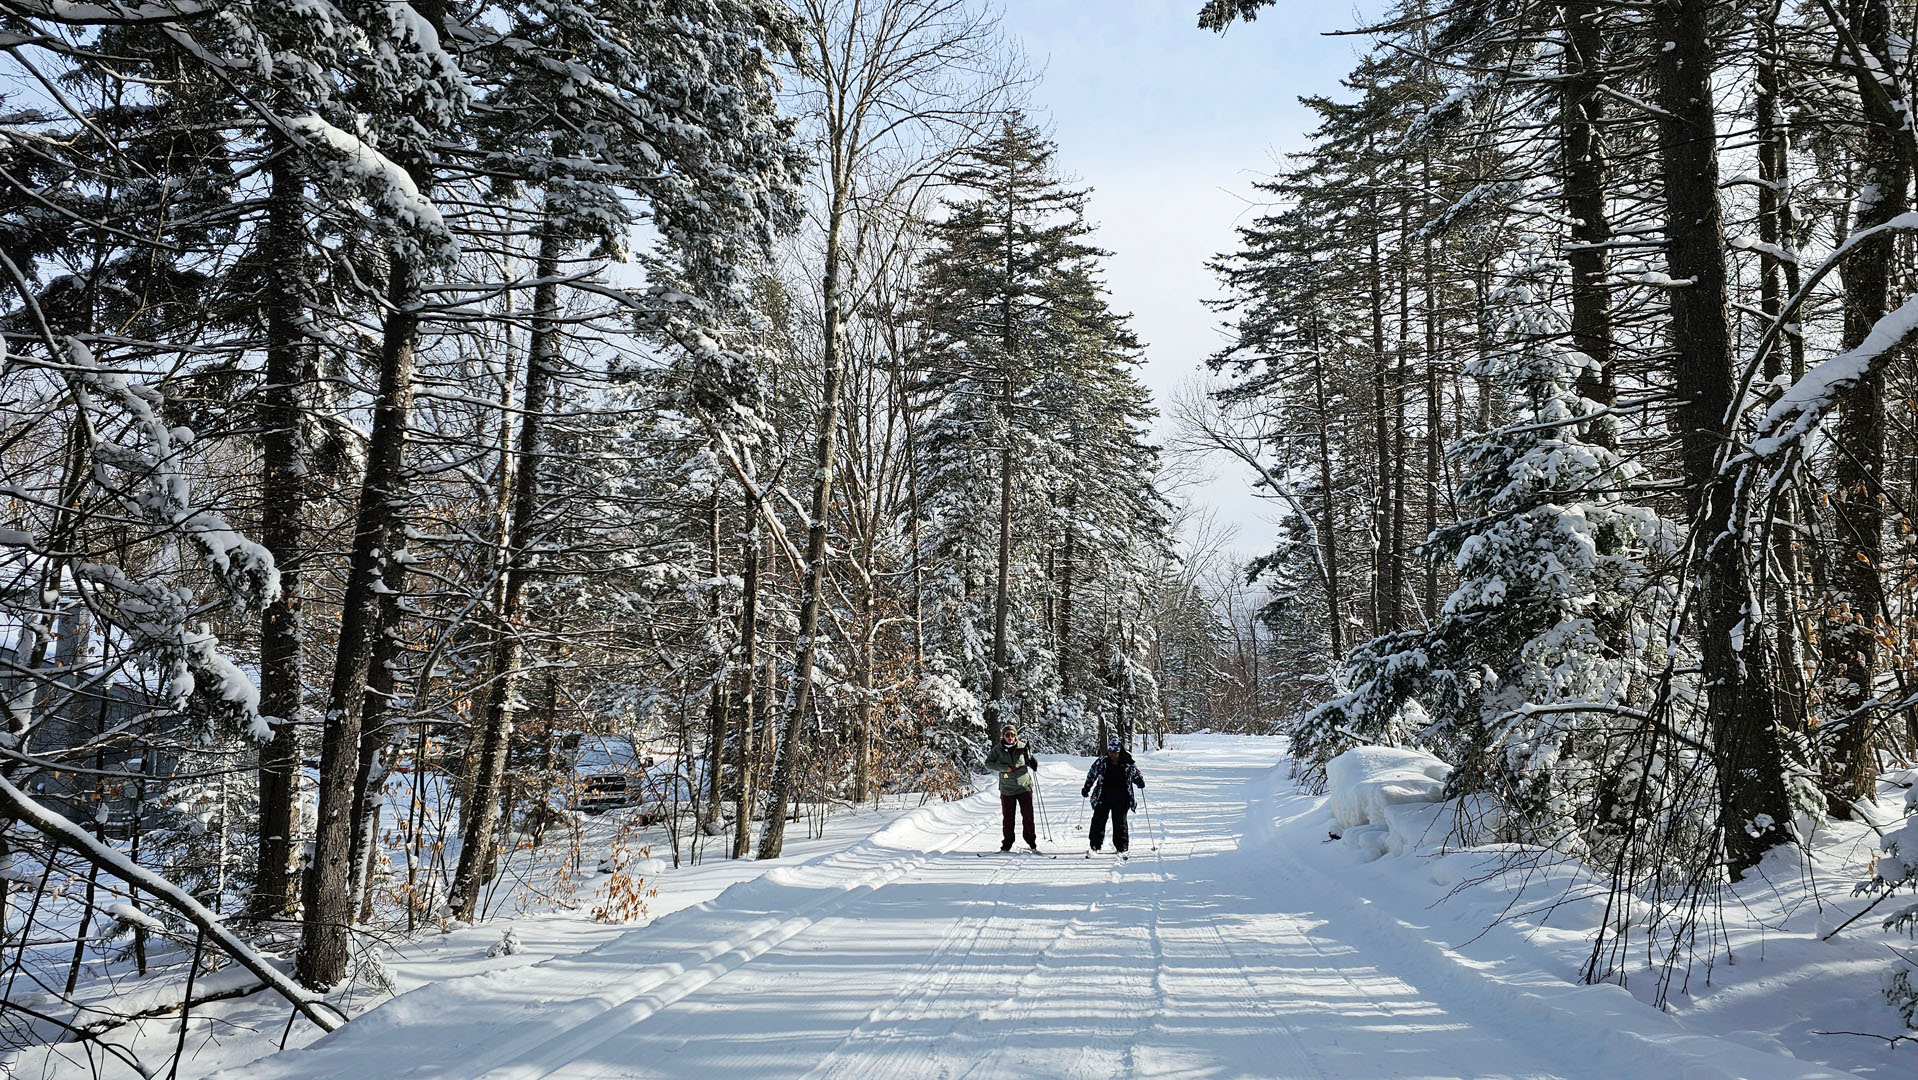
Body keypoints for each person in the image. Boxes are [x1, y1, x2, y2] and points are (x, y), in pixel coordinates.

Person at [1081, 736, 1145, 856]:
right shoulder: (1102, 761)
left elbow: (1136, 773)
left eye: (1114, 752)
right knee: (1098, 820)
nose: (1111, 754)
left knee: (1120, 822)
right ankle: (1095, 845)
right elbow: (1092, 773)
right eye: (1110, 751)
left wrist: (1139, 781)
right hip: (1103, 795)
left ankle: (1122, 847)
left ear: (1119, 751)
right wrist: (1086, 787)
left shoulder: (1127, 762)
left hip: (1122, 797)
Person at [985, 725, 1041, 852]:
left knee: (1028, 816)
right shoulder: (997, 750)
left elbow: (1030, 760)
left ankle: (1031, 843)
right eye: (1007, 735)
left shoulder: (1022, 747)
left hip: (1024, 787)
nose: (1010, 737)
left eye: (1012, 734)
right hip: (1007, 789)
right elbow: (988, 763)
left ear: (1016, 735)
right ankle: (1007, 844)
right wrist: (1004, 768)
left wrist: (1033, 762)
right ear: (1003, 736)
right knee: (1008, 818)